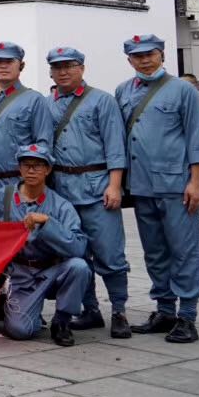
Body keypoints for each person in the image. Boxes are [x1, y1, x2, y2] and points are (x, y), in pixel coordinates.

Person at [118, 34, 199, 343]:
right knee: (154, 252)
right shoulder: (123, 91)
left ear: (162, 55)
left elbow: (197, 137)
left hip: (176, 185)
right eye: (137, 56)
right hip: (141, 186)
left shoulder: (183, 90)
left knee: (184, 250)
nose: (145, 60)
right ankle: (165, 309)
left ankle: (188, 316)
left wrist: (196, 182)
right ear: (129, 59)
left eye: (150, 54)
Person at [44, 46, 131, 339]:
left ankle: (119, 311)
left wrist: (115, 185)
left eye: (69, 66)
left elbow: (115, 146)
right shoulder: (47, 104)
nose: (63, 72)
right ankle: (90, 309)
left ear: (81, 68)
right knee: (75, 254)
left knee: (110, 254)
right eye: (57, 67)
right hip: (62, 191)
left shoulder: (102, 101)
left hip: (97, 188)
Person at [0, 144, 90, 347]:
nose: (31, 170)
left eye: (37, 166)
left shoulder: (61, 205)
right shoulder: (4, 197)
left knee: (79, 267)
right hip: (19, 274)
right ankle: (29, 312)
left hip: (50, 271)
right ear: (19, 169)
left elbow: (78, 247)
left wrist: (47, 222)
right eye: (26, 165)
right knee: (20, 331)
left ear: (47, 170)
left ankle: (62, 321)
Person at [0, 42, 56, 216]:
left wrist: (32, 181)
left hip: (18, 182)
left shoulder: (34, 100)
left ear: (21, 65)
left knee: (19, 230)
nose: (3, 66)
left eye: (9, 61)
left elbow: (43, 144)